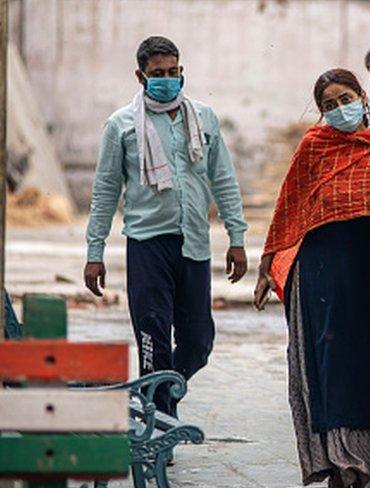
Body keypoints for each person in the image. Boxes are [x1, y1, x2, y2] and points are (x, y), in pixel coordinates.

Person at [253, 69, 370, 488]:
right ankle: (337, 478)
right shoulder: (313, 147)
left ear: (362, 96)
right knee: (328, 365)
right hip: (320, 272)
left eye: (345, 98)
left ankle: (367, 465)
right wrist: (267, 265)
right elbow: (289, 206)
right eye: (329, 105)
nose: (340, 109)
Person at [84, 36, 248, 417]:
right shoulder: (121, 125)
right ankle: (160, 428)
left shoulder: (203, 117)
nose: (167, 80)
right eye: (158, 74)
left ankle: (161, 398)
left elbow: (223, 180)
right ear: (140, 76)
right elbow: (105, 191)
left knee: (198, 341)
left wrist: (236, 238)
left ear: (182, 72)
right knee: (152, 338)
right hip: (147, 245)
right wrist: (95, 253)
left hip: (194, 244)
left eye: (173, 72)